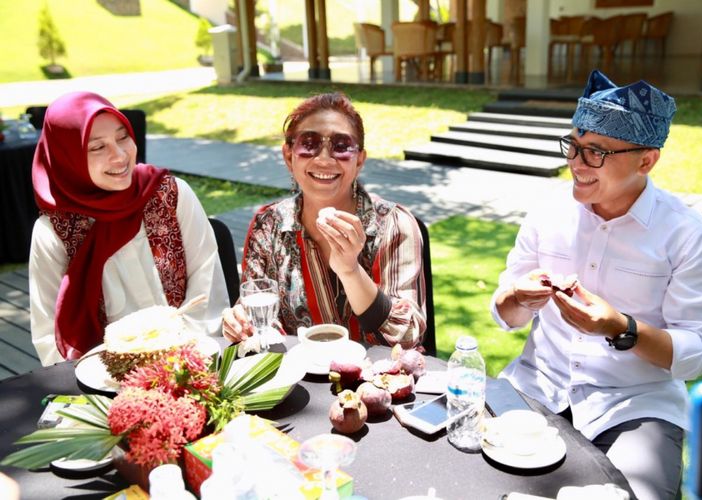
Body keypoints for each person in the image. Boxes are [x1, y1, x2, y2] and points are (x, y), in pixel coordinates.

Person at [490, 70, 702, 500]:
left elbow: (700, 353)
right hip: (535, 386)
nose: (577, 165)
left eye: (597, 152)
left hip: (636, 406)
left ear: (647, 160)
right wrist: (517, 295)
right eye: (574, 147)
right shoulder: (548, 212)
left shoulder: (691, 235)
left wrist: (621, 327)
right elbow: (506, 313)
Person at [29, 91, 229, 366]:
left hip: (192, 361)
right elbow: (49, 335)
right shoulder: (54, 232)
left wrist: (181, 364)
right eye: (97, 147)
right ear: (67, 157)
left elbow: (206, 286)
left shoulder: (169, 194)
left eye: (123, 137)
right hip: (106, 381)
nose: (120, 155)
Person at [222, 92, 426, 349]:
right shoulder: (269, 226)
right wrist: (242, 324)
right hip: (300, 380)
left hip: (378, 381)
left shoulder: (394, 224)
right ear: (288, 156)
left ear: (359, 160)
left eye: (341, 147)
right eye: (309, 144)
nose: (324, 160)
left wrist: (350, 271)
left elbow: (406, 335)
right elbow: (262, 320)